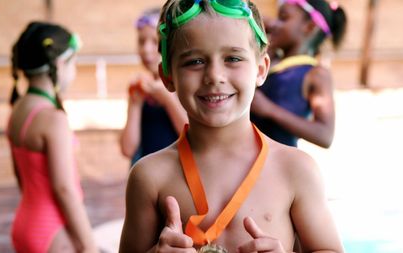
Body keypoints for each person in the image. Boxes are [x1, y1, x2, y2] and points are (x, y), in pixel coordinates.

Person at [119, 0, 343, 252]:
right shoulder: (149, 176)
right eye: (194, 62)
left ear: (260, 69)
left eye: (233, 58)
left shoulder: (296, 169)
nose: (214, 75)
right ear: (168, 76)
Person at [6, 21, 98, 253]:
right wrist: (88, 245)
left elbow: (21, 178)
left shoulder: (18, 110)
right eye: (74, 63)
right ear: (59, 63)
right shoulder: (53, 119)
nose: (74, 71)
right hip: (52, 230)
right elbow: (64, 188)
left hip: (25, 224)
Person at [251, 0, 347, 148]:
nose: (275, 24)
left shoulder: (316, 74)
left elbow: (324, 135)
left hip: (279, 164)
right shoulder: (272, 60)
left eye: (283, 18)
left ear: (310, 26)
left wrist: (270, 110)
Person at [119, 7, 187, 165]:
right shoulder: (140, 89)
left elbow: (193, 138)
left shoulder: (183, 85)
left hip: (176, 177)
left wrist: (168, 100)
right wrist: (135, 104)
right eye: (141, 41)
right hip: (147, 178)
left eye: (155, 42)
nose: (146, 49)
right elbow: (127, 149)